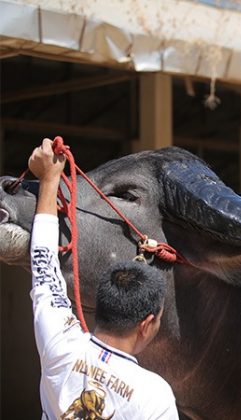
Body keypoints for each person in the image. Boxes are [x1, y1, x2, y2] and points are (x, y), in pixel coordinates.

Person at [28, 138, 179, 419]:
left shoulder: (60, 344)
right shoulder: (155, 397)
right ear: (146, 324)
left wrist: (49, 180)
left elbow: (43, 266)